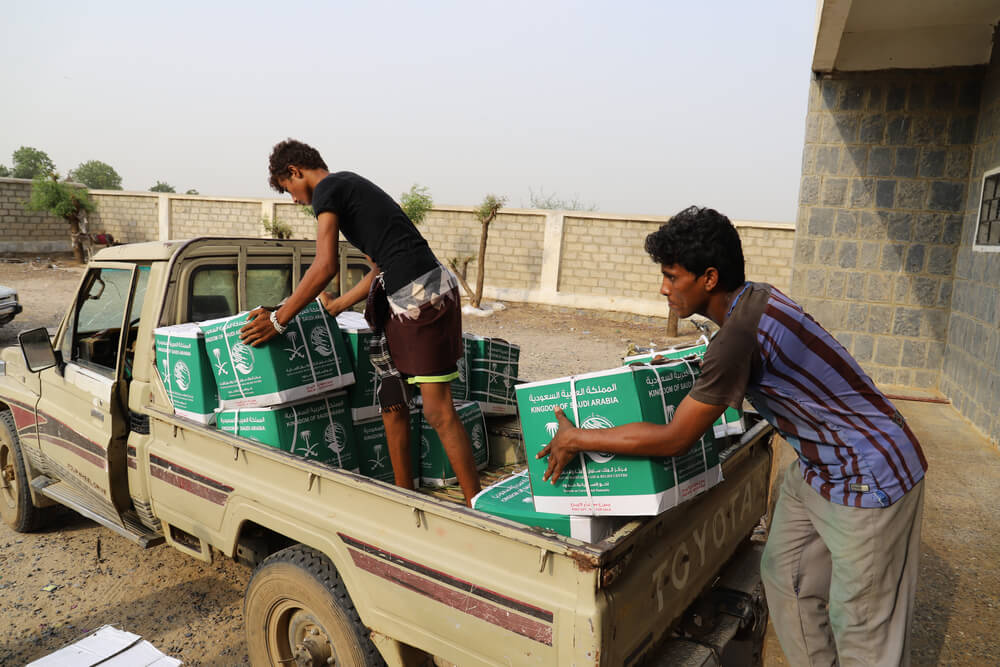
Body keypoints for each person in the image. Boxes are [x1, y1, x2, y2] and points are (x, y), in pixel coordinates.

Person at [539, 206, 927, 666]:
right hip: (820, 466)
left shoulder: (739, 334)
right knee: (786, 580)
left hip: (869, 473)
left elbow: (673, 439)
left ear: (708, 278)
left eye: (671, 276)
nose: (663, 288)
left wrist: (578, 438)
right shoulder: (752, 300)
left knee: (863, 627)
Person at [240, 139, 482, 505]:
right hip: (399, 299)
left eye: (289, 190)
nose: (294, 200)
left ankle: (477, 507)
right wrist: (336, 306)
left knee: (437, 410)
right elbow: (379, 268)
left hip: (423, 295)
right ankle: (404, 499)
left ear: (295, 171)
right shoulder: (349, 189)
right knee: (392, 402)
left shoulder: (329, 189)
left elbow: (324, 265)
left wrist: (279, 320)